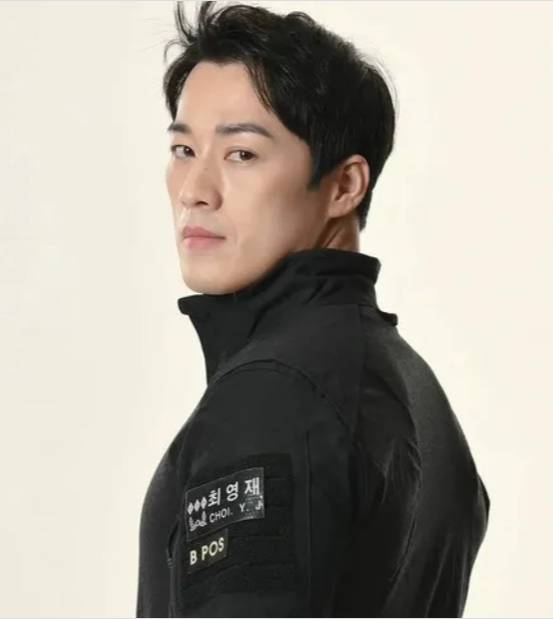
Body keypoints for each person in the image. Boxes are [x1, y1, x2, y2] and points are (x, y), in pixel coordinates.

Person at [136, 2, 490, 617]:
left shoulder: (273, 392)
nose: (195, 190)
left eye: (241, 154)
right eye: (184, 149)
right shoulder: (407, 384)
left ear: (345, 186)